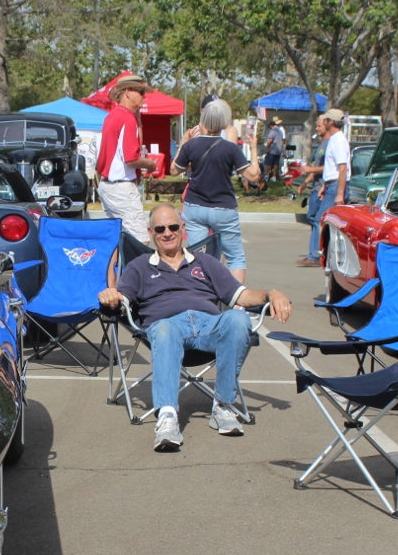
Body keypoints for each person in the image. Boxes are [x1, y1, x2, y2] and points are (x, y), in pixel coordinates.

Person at [98, 204, 292, 451]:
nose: (167, 233)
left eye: (173, 227)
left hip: (208, 324)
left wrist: (271, 294)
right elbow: (122, 301)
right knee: (165, 329)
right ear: (150, 232)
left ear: (183, 228)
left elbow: (241, 296)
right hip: (165, 326)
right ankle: (167, 417)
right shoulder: (139, 266)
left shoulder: (205, 262)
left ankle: (223, 405)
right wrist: (111, 297)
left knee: (238, 319)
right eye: (160, 228)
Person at [170, 99, 260, 282]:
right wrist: (253, 147)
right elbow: (253, 176)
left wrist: (183, 142)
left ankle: (201, 297)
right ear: (224, 123)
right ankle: (236, 302)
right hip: (223, 207)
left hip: (195, 206)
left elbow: (173, 170)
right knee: (235, 257)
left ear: (203, 119)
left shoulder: (191, 146)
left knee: (197, 256)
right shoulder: (230, 148)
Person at [95, 73, 158, 243]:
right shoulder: (126, 118)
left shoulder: (112, 116)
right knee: (140, 241)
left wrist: (138, 120)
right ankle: (133, 271)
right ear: (128, 92)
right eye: (140, 92)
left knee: (114, 239)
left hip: (107, 185)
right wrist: (150, 165)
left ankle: (114, 271)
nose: (144, 97)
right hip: (122, 187)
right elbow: (131, 158)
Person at [296, 107, 350, 268]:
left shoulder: (339, 141)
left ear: (331, 122)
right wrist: (324, 186)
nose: (322, 123)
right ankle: (325, 256)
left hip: (336, 187)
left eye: (325, 121)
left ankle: (327, 256)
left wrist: (339, 193)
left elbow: (342, 169)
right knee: (324, 221)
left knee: (324, 221)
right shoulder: (332, 140)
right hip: (330, 185)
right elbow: (331, 168)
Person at [295, 116, 329, 267]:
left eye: (319, 125)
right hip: (315, 187)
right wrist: (305, 182)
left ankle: (315, 255)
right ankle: (314, 253)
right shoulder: (321, 144)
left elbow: (331, 168)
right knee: (312, 218)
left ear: (327, 125)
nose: (317, 128)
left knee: (317, 221)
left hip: (325, 187)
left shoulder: (331, 144)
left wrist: (310, 169)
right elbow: (316, 168)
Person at [263, 116, 286, 182]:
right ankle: (274, 176)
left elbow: (270, 140)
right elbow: (282, 141)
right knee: (276, 163)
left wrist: (266, 148)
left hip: (272, 149)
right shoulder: (280, 131)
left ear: (271, 125)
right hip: (278, 150)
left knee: (269, 163)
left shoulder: (273, 131)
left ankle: (267, 175)